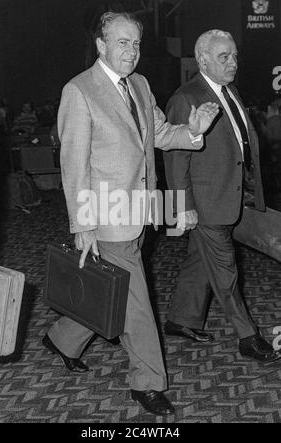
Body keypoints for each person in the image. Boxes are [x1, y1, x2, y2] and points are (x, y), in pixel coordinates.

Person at [42, 12, 219, 417]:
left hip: (140, 210)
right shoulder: (79, 91)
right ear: (101, 45)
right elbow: (74, 166)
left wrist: (193, 130)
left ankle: (63, 337)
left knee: (113, 289)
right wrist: (83, 224)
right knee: (138, 303)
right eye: (122, 42)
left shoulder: (139, 85)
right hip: (106, 216)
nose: (132, 51)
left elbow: (159, 133)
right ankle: (148, 382)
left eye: (136, 43)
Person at [163, 29, 281, 364]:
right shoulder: (186, 98)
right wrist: (182, 206)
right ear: (202, 60)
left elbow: (241, 143)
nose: (233, 63)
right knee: (226, 271)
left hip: (233, 195)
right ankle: (248, 337)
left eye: (234, 56)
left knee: (200, 261)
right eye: (223, 57)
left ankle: (180, 319)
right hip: (206, 201)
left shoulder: (230, 91)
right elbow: (175, 158)